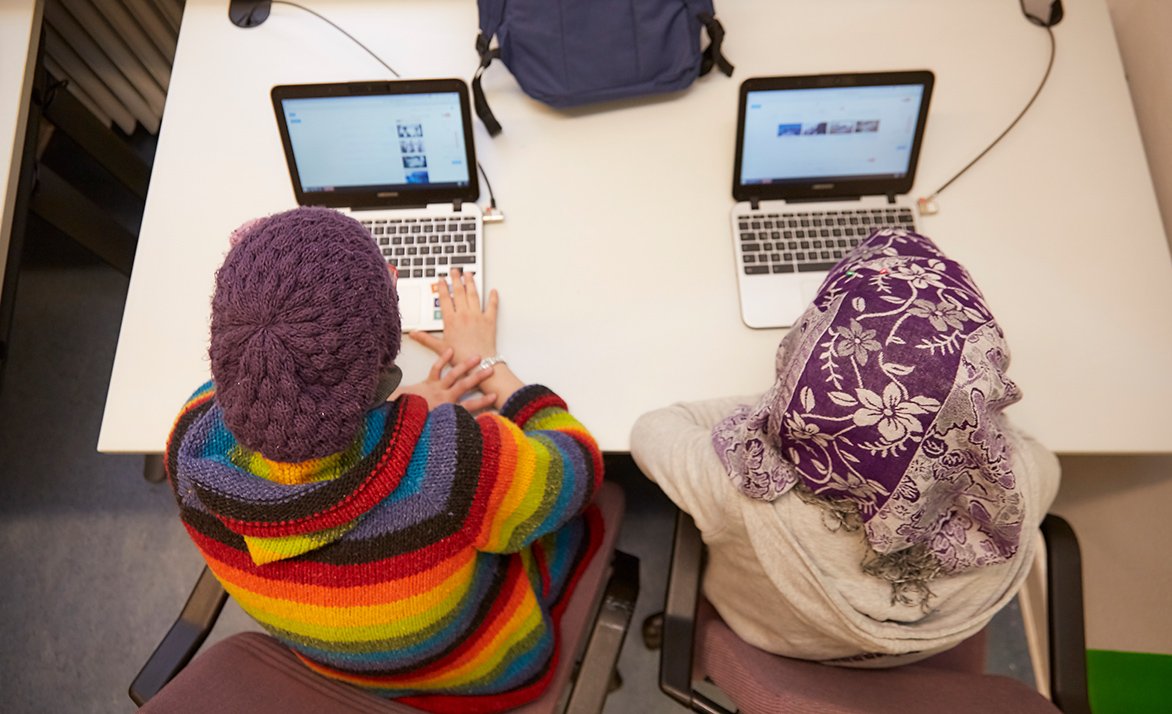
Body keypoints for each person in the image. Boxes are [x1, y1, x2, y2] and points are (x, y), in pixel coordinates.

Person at [165, 206, 604, 711]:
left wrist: (393, 408)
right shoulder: (447, 467)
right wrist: (487, 362)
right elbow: (580, 464)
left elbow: (290, 425)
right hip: (484, 665)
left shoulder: (189, 442)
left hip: (336, 663)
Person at [631, 229, 1060, 665]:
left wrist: (781, 407)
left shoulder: (737, 486)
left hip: (776, 639)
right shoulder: (1027, 484)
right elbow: (1013, 438)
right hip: (914, 660)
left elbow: (653, 429)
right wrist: (952, 417)